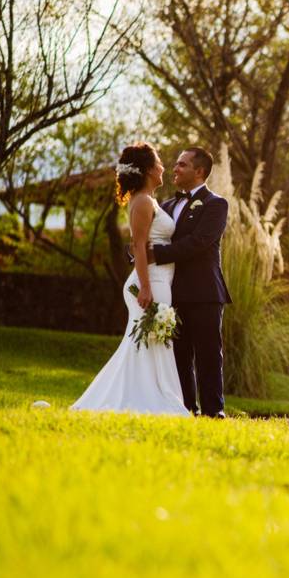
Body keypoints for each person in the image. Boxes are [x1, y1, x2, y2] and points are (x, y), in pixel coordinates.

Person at [71, 142, 190, 416]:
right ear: (149, 170)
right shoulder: (143, 202)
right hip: (150, 283)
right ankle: (152, 400)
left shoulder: (149, 200)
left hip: (158, 280)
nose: (163, 167)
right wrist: (146, 287)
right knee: (149, 342)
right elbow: (138, 246)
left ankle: (153, 396)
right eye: (159, 162)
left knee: (146, 343)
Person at [147, 147, 232, 418]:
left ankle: (213, 411)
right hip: (171, 292)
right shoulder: (167, 206)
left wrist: (155, 255)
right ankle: (184, 409)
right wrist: (138, 253)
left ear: (199, 172)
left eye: (182, 165)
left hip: (205, 292)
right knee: (178, 356)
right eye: (176, 163)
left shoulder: (216, 204)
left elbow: (198, 243)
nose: (175, 168)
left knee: (208, 354)